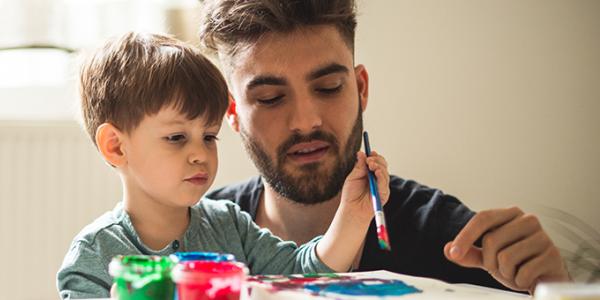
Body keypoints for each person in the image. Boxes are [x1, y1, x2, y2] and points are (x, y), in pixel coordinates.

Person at [199, 0, 570, 293]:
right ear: (232, 112)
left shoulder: (448, 239)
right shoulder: (194, 237)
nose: (305, 121)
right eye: (270, 97)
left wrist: (557, 289)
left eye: (328, 88)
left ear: (361, 89)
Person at [56, 32, 390, 299]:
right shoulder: (95, 255)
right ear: (115, 146)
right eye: (176, 137)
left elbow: (303, 274)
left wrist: (353, 215)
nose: (199, 153)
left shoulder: (229, 224)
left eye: (209, 137)